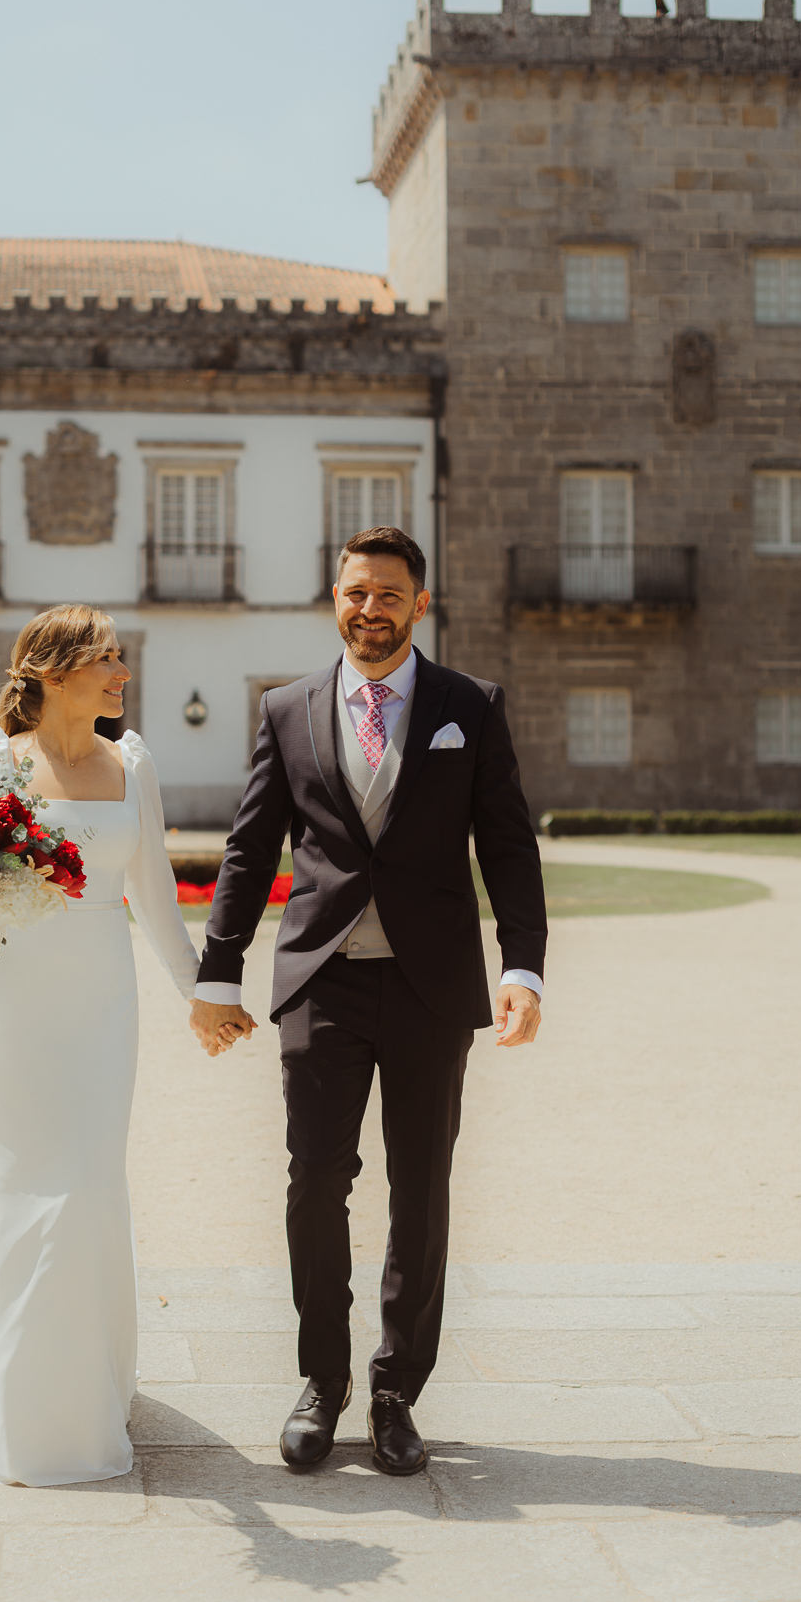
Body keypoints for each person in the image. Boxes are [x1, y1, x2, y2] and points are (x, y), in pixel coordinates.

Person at [189, 526, 547, 1477]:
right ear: (334, 599)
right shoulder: (288, 709)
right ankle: (324, 1381)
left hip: (433, 989)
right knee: (315, 1183)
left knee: (421, 1190)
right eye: (355, 593)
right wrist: (218, 969)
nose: (370, 609)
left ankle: (394, 1392)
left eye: (389, 594)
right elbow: (248, 846)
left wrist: (523, 966)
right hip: (324, 982)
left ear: (419, 603)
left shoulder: (469, 706)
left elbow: (507, 845)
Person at [0, 604, 207, 1486]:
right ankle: (2, 1401)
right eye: (107, 662)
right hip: (13, 1002)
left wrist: (202, 993)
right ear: (55, 671)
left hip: (101, 1005)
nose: (122, 678)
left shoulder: (132, 763)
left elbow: (157, 899)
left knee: (89, 1182)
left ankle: (80, 1393)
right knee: (12, 1176)